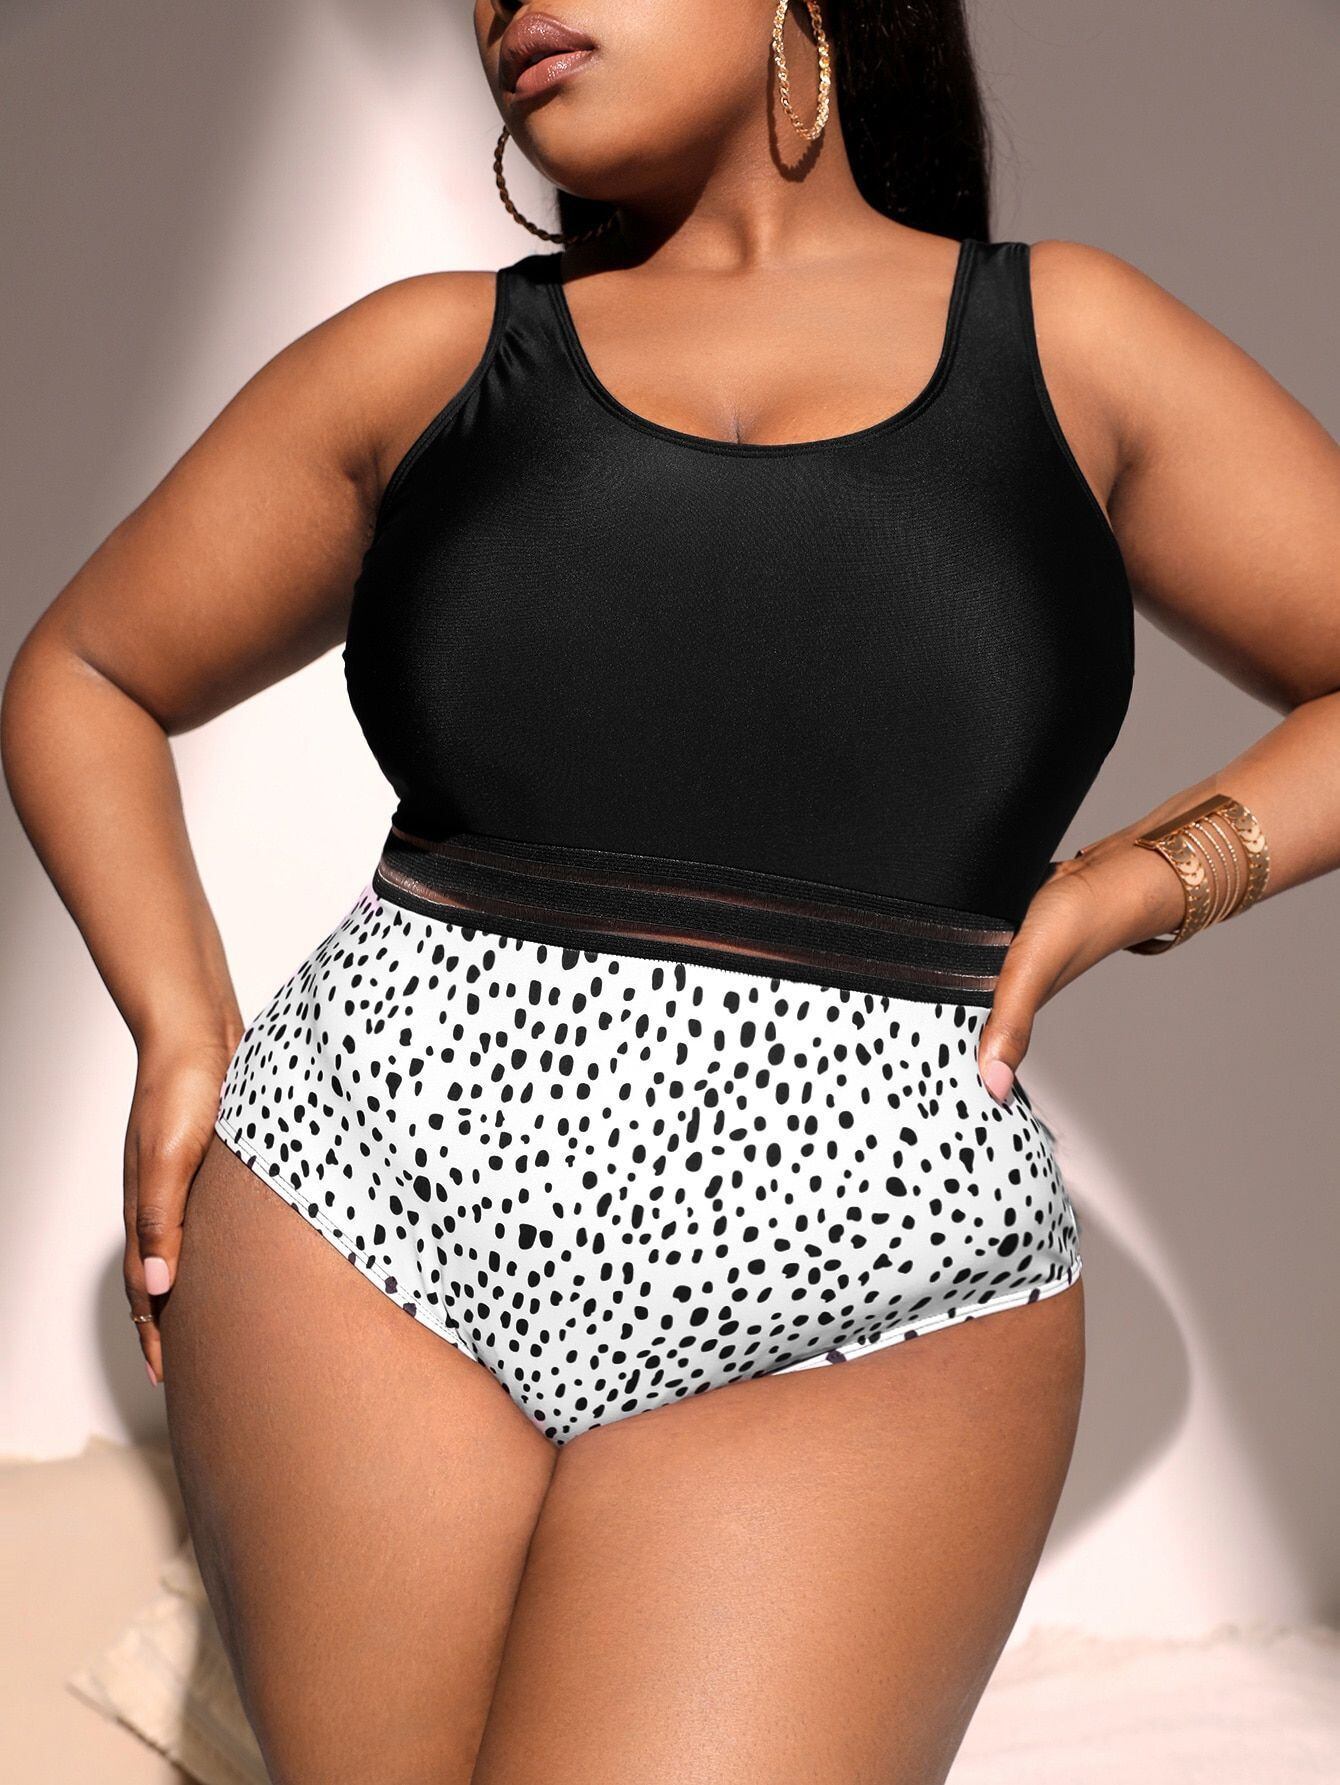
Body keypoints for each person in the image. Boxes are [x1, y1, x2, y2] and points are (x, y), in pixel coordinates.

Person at [4, 2, 1337, 1779]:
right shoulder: (434, 359)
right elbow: (86, 670)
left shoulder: (1066, 341)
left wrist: (1146, 879)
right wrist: (182, 1028)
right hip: (360, 1218)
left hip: (880, 1288)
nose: (508, 3)